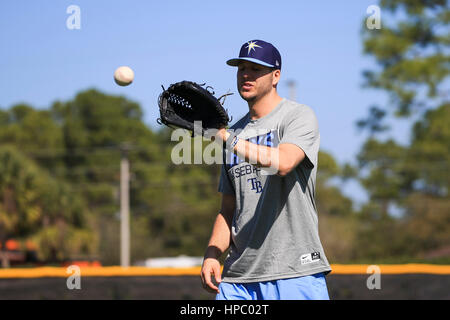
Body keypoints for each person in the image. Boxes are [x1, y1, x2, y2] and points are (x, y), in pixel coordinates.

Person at [200, 39, 331, 300]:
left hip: (294, 271)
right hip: (237, 279)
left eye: (255, 69)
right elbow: (228, 210)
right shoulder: (234, 133)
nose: (246, 75)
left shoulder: (297, 116)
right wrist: (212, 253)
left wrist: (226, 137)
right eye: (241, 69)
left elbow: (283, 163)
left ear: (275, 76)